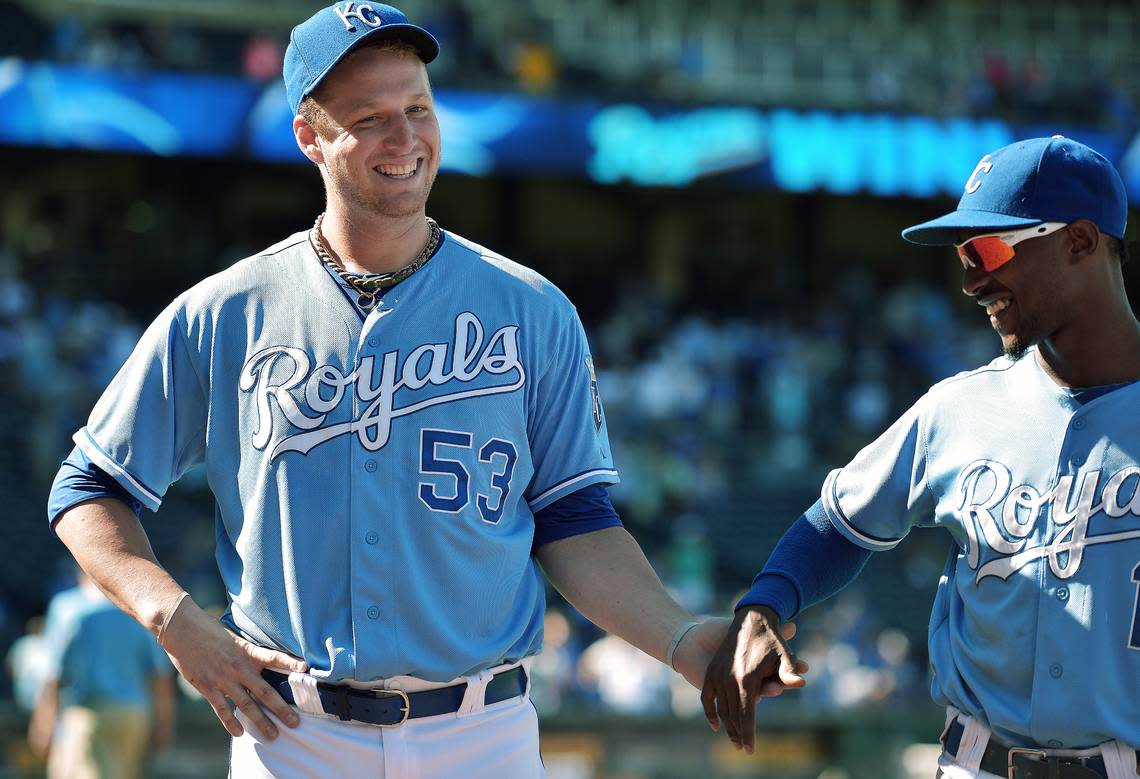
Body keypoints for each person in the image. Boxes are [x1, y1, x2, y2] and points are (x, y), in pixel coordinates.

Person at [45, 4, 771, 776]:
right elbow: (87, 486)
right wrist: (176, 620)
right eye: (370, 118)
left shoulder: (532, 310)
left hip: (481, 731)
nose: (405, 138)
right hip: (293, 733)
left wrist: (681, 636)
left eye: (417, 108)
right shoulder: (226, 311)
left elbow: (575, 520)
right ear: (310, 138)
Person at [701, 136, 1140, 779]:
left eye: (988, 249)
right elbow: (837, 523)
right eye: (964, 254)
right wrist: (765, 606)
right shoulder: (958, 410)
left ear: (1078, 241)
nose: (970, 280)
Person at [27, 570, 174, 779]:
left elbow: (53, 675)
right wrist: (163, 724)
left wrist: (43, 723)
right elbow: (159, 675)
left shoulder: (67, 607)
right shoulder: (139, 610)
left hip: (87, 716)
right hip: (135, 716)